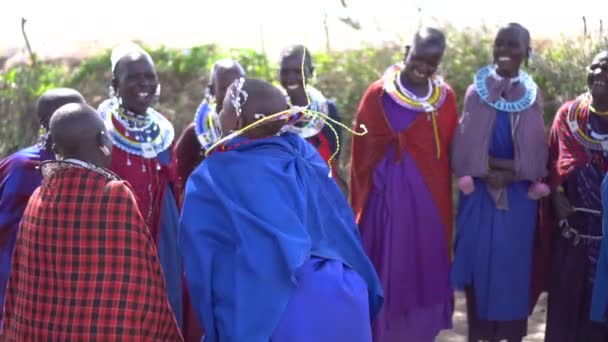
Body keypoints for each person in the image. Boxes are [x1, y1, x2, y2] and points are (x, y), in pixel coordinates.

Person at [180, 78, 383, 342]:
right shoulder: (303, 154)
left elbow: (203, 264)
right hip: (344, 295)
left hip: (273, 311)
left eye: (224, 107)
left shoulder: (212, 175)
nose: (219, 113)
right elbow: (341, 228)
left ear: (238, 119)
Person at [0, 103, 183, 341]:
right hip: (101, 330)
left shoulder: (40, 195)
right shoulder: (114, 194)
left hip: (43, 331)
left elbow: (22, 284)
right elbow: (143, 279)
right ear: (102, 141)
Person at [349, 27, 458, 341]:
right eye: (418, 57)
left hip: (427, 202)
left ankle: (418, 332)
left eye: (432, 62)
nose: (423, 66)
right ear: (406, 51)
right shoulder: (378, 94)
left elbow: (446, 154)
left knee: (423, 265)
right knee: (385, 266)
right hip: (383, 202)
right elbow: (363, 151)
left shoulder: (445, 99)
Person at [450, 23, 549, 342]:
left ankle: (510, 335)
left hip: (518, 199)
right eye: (500, 43)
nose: (505, 50)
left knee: (511, 269)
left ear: (526, 52)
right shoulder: (474, 93)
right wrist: (485, 167)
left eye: (513, 44)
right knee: (479, 266)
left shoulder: (532, 95)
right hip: (478, 193)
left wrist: (512, 172)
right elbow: (466, 147)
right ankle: (480, 336)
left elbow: (535, 153)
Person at [97, 42, 184, 330]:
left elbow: (173, 189)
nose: (144, 83)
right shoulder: (99, 129)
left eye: (149, 76)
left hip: (163, 237)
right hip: (117, 240)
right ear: (115, 83)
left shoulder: (163, 129)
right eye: (133, 77)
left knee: (167, 304)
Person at [0, 88, 85, 325]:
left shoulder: (88, 163)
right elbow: (6, 232)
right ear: (45, 122)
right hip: (20, 282)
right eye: (66, 114)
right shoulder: (23, 166)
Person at [546, 49, 608, 341]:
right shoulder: (567, 116)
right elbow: (552, 162)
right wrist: (556, 193)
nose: (599, 74)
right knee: (566, 309)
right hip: (572, 234)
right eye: (595, 67)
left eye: (607, 69)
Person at [174, 59, 245, 201]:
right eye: (225, 88)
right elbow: (177, 177)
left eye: (239, 86)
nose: (233, 94)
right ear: (212, 90)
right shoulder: (195, 134)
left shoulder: (254, 128)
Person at [278, 44, 347, 188]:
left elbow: (335, 154)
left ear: (310, 72)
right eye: (285, 71)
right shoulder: (272, 112)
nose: (291, 77)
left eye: (298, 71)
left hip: (323, 189)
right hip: (287, 190)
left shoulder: (328, 110)